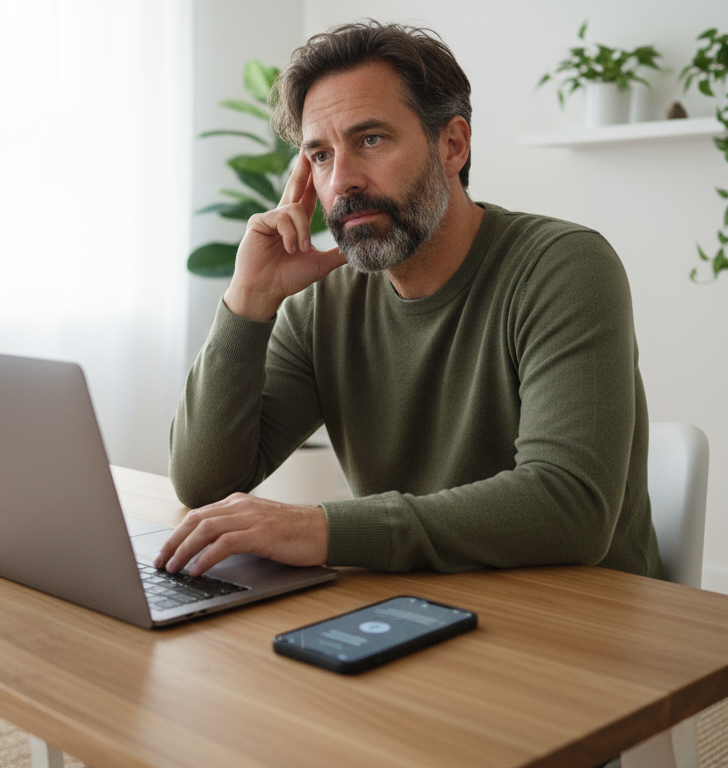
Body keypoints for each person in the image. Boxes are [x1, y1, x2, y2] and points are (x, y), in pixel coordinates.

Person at [155, 20, 664, 583]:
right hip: (414, 609)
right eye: (320, 156)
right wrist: (248, 300)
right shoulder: (322, 304)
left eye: (370, 140)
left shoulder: (563, 267)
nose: (342, 181)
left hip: (580, 625)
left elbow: (571, 506)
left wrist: (323, 529)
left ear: (452, 145)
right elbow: (204, 484)